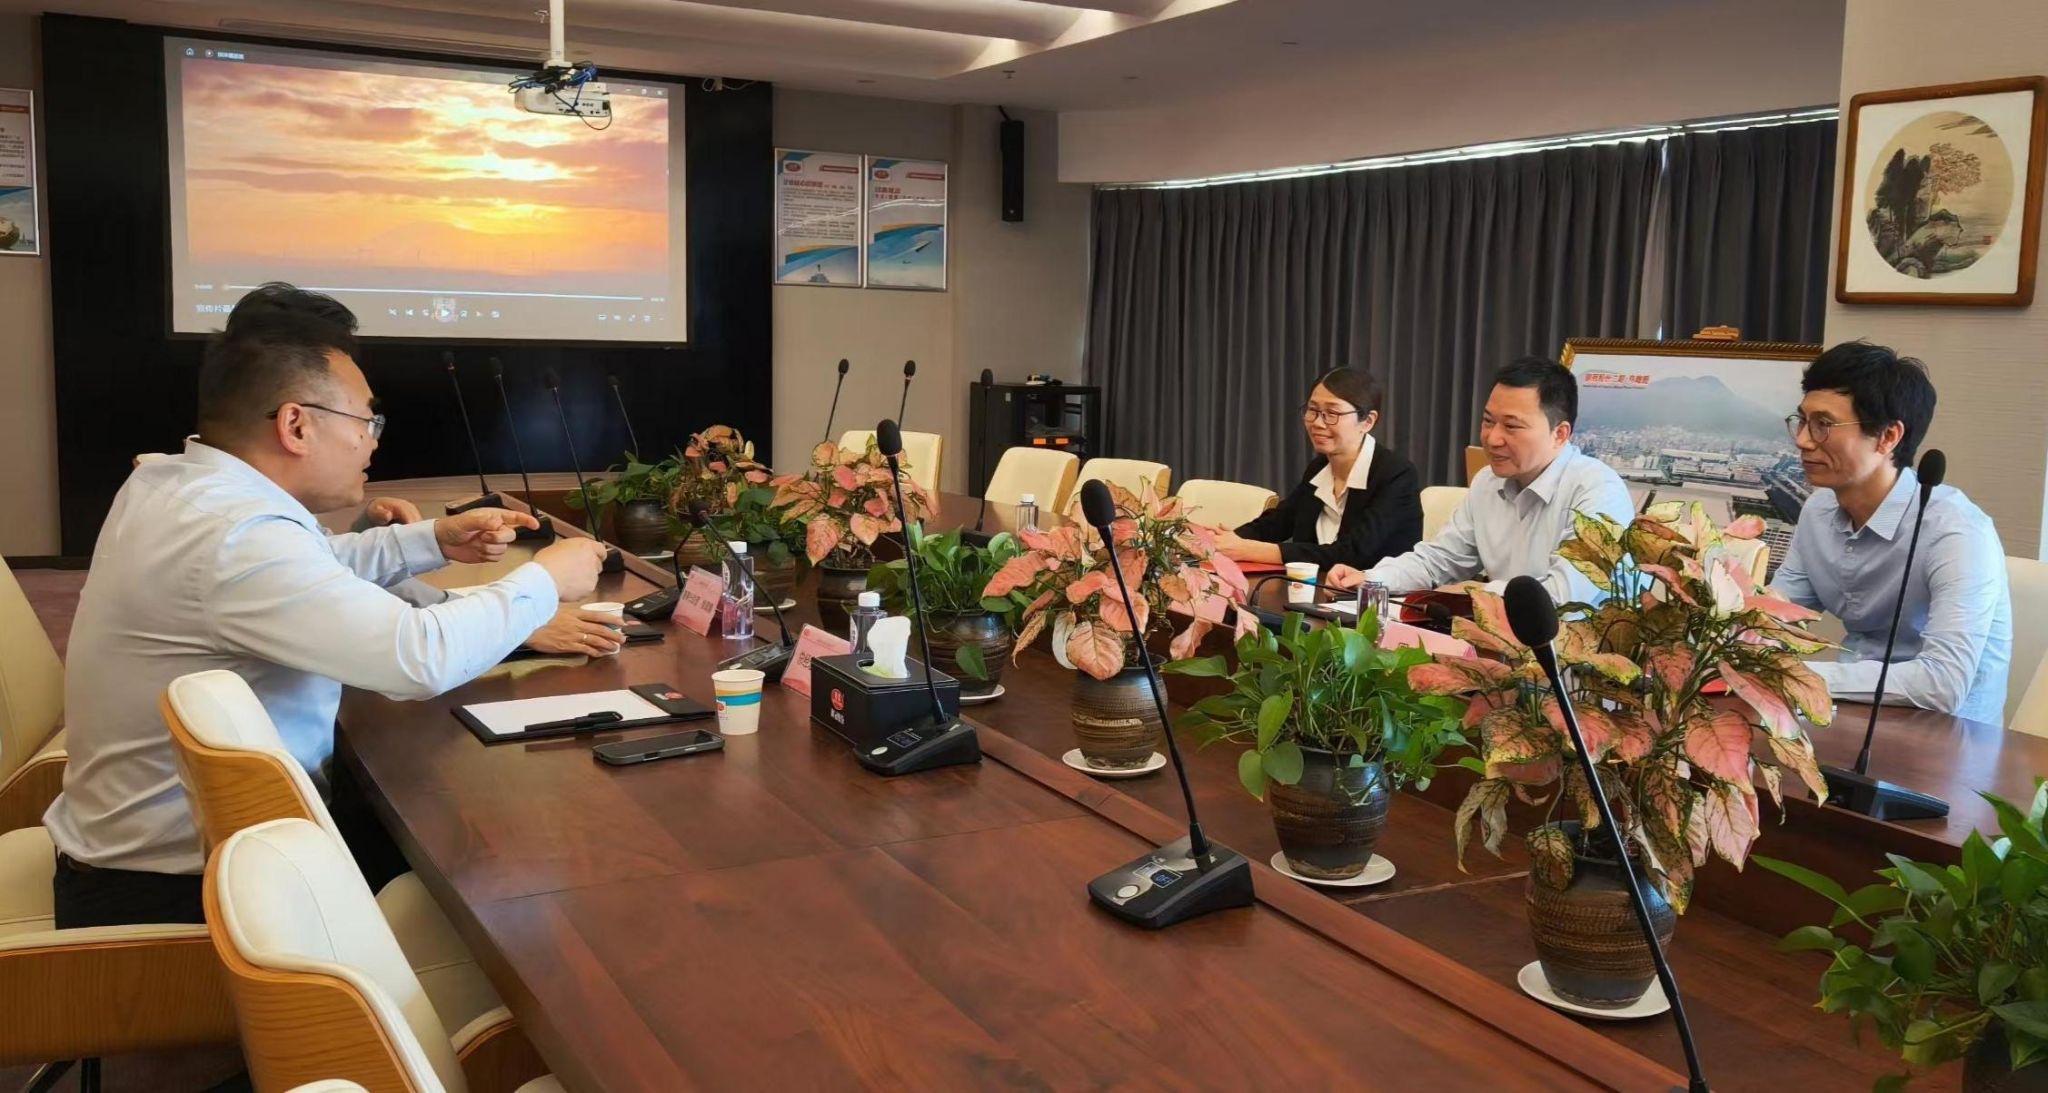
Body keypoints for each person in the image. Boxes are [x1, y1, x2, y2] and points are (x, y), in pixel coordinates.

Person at [44, 283, 610, 928]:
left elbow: (307, 570)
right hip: (186, 893)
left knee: (455, 824)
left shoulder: (177, 482)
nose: (373, 443)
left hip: (199, 849)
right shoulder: (234, 533)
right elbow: (417, 659)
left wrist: (431, 539)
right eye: (366, 422)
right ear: (297, 424)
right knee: (524, 873)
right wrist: (544, 580)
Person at [1770, 341, 2011, 722]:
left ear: (1887, 437)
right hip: (1847, 716)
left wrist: (1795, 676)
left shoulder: (1957, 532)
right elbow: (1771, 620)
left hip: (1946, 738)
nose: (1802, 440)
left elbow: (1942, 684)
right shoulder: (1818, 511)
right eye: (1802, 421)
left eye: (1823, 425)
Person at [1326, 356, 1632, 603]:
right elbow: (1440, 560)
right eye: (1488, 421)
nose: (1492, 438)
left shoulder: (1597, 491)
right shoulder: (1488, 481)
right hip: (1500, 639)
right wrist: (1372, 579)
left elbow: (1564, 595)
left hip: (1579, 652)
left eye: (1512, 426)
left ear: (1560, 434)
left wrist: (1477, 593)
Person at [1213, 367, 1422, 570]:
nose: (1318, 423)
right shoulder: (1320, 467)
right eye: (1312, 410)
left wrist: (1251, 550)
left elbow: (1352, 553)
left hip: (1373, 591)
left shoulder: (1396, 474)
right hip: (1315, 586)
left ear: (1367, 421)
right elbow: (1279, 522)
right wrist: (1222, 540)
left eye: (1332, 413)